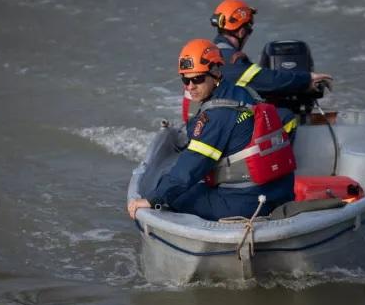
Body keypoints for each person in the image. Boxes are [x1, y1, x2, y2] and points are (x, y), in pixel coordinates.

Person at [127, 39, 296, 222]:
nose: (190, 86)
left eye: (197, 79)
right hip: (280, 193)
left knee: (174, 192)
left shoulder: (216, 115)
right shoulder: (244, 93)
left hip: (245, 202)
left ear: (215, 72)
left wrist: (153, 199)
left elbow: (191, 165)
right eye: (185, 79)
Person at [181, 0, 334, 133]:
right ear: (242, 32)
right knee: (285, 116)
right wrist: (307, 79)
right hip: (211, 124)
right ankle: (281, 157)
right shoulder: (231, 60)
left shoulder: (210, 54)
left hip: (201, 120)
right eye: (249, 30)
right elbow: (269, 80)